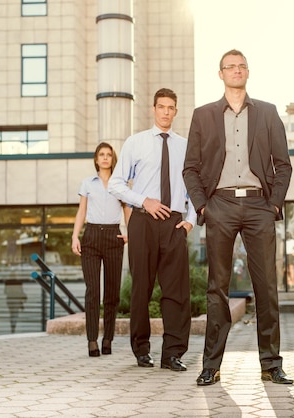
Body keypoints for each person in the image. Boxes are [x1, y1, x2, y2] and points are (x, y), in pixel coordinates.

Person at [183, 49, 293, 386]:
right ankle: (211, 365)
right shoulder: (203, 115)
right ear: (221, 74)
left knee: (267, 287)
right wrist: (203, 206)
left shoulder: (268, 113)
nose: (236, 71)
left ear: (248, 72)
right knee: (217, 288)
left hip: (260, 206)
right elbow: (191, 168)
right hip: (221, 205)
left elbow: (283, 164)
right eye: (230, 67)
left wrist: (273, 204)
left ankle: (271, 364)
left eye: (242, 66)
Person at [109, 88, 195, 372]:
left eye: (171, 107)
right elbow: (116, 184)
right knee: (141, 289)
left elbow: (196, 187)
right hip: (143, 220)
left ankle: (172, 354)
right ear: (153, 108)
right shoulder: (136, 143)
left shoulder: (185, 145)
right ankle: (141, 350)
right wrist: (143, 200)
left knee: (176, 292)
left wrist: (190, 220)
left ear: (176, 111)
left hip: (174, 224)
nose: (166, 112)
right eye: (162, 107)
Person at [72, 142, 130, 357]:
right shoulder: (87, 183)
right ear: (96, 159)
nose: (105, 158)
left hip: (114, 236)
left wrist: (129, 233)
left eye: (108, 155)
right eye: (101, 155)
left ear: (112, 159)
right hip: (92, 236)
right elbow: (81, 212)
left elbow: (128, 210)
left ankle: (108, 339)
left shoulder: (120, 184)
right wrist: (74, 236)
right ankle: (92, 341)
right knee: (92, 291)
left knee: (112, 293)